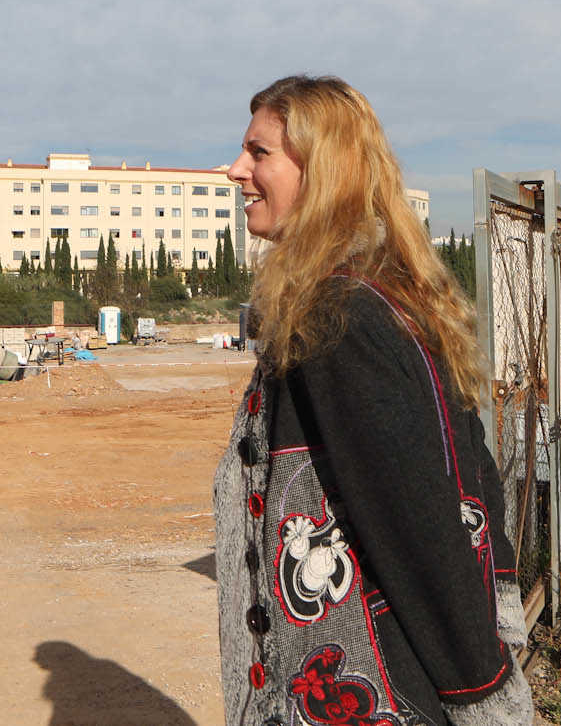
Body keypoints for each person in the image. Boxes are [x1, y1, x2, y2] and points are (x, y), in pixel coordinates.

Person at [214, 75, 534, 726]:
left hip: (371, 693)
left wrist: (484, 693)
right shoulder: (380, 294)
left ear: (322, 171)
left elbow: (418, 524)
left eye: (259, 152)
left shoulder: (338, 318)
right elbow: (469, 470)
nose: (235, 171)